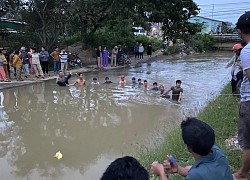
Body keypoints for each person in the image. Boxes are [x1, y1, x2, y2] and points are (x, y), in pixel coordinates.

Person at [151, 117, 233, 180]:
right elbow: (201, 174)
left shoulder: (196, 175)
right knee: (188, 168)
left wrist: (161, 171)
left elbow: (197, 174)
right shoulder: (217, 152)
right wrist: (178, 169)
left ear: (189, 148)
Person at [233, 12, 250, 180]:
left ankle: (242, 174)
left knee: (247, 141)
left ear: (239, 31)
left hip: (248, 102)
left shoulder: (246, 51)